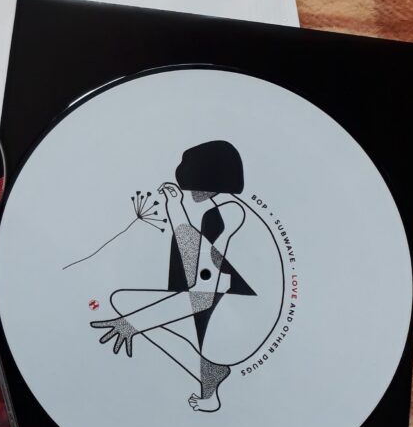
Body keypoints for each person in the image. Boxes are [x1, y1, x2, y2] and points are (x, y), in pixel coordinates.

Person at [89, 141, 283, 412]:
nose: (189, 190)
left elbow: (204, 294)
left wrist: (136, 323)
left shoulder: (224, 216)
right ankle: (209, 376)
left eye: (192, 184)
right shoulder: (233, 210)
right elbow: (198, 258)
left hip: (238, 326)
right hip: (248, 320)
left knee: (127, 305)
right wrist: (174, 206)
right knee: (131, 298)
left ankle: (209, 371)